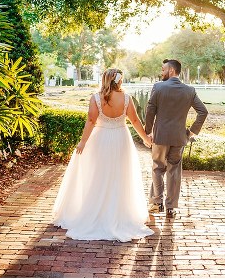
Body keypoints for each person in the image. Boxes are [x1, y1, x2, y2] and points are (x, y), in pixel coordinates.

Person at [52, 68, 155, 242]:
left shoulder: (96, 98)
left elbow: (91, 121)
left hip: (100, 140)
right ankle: (118, 214)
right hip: (121, 139)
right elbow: (135, 120)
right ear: (119, 81)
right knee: (120, 176)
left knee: (98, 176)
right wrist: (146, 138)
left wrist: (83, 141)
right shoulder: (127, 98)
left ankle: (96, 212)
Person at [144, 59, 208, 218]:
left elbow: (150, 111)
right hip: (179, 138)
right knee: (174, 172)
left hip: (160, 137)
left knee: (158, 168)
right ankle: (171, 207)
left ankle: (157, 203)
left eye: (163, 69)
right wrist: (192, 131)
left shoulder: (158, 87)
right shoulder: (189, 90)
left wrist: (147, 132)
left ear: (171, 70)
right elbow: (203, 112)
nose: (162, 72)